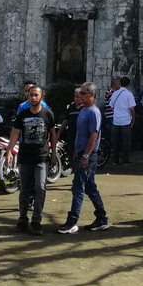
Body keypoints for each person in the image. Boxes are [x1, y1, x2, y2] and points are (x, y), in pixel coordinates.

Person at [57, 82, 109, 234]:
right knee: (90, 187)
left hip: (88, 156)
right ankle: (101, 218)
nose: (80, 95)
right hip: (79, 153)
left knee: (78, 188)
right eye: (80, 92)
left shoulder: (93, 112)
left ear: (91, 95)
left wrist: (86, 155)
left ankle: (72, 221)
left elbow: (94, 135)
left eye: (84, 93)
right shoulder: (82, 110)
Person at [7, 83, 57, 234]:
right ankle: (22, 220)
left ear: (41, 97)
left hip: (41, 157)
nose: (33, 97)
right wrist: (9, 150)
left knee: (40, 188)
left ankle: (36, 221)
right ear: (27, 96)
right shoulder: (23, 114)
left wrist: (53, 153)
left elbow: (53, 134)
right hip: (25, 157)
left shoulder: (48, 114)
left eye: (36, 95)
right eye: (31, 95)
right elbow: (15, 133)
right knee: (24, 190)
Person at [108, 76, 136, 165]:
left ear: (120, 83)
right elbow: (131, 109)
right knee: (126, 142)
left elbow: (111, 106)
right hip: (126, 120)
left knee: (115, 141)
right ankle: (125, 159)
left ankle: (115, 159)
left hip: (116, 120)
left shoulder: (115, 93)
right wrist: (133, 118)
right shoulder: (129, 94)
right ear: (128, 84)